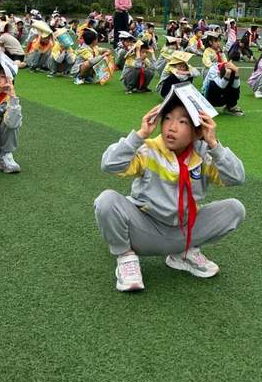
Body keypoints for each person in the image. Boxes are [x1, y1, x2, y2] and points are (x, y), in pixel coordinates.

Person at [93, 93, 246, 291]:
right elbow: (109, 165)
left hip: (184, 231)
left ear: (197, 131)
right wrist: (139, 135)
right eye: (167, 118)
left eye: (182, 121)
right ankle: (126, 257)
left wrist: (214, 145)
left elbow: (236, 177)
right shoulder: (149, 150)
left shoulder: (204, 156)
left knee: (235, 209)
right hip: (144, 229)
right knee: (106, 201)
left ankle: (182, 254)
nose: (171, 127)